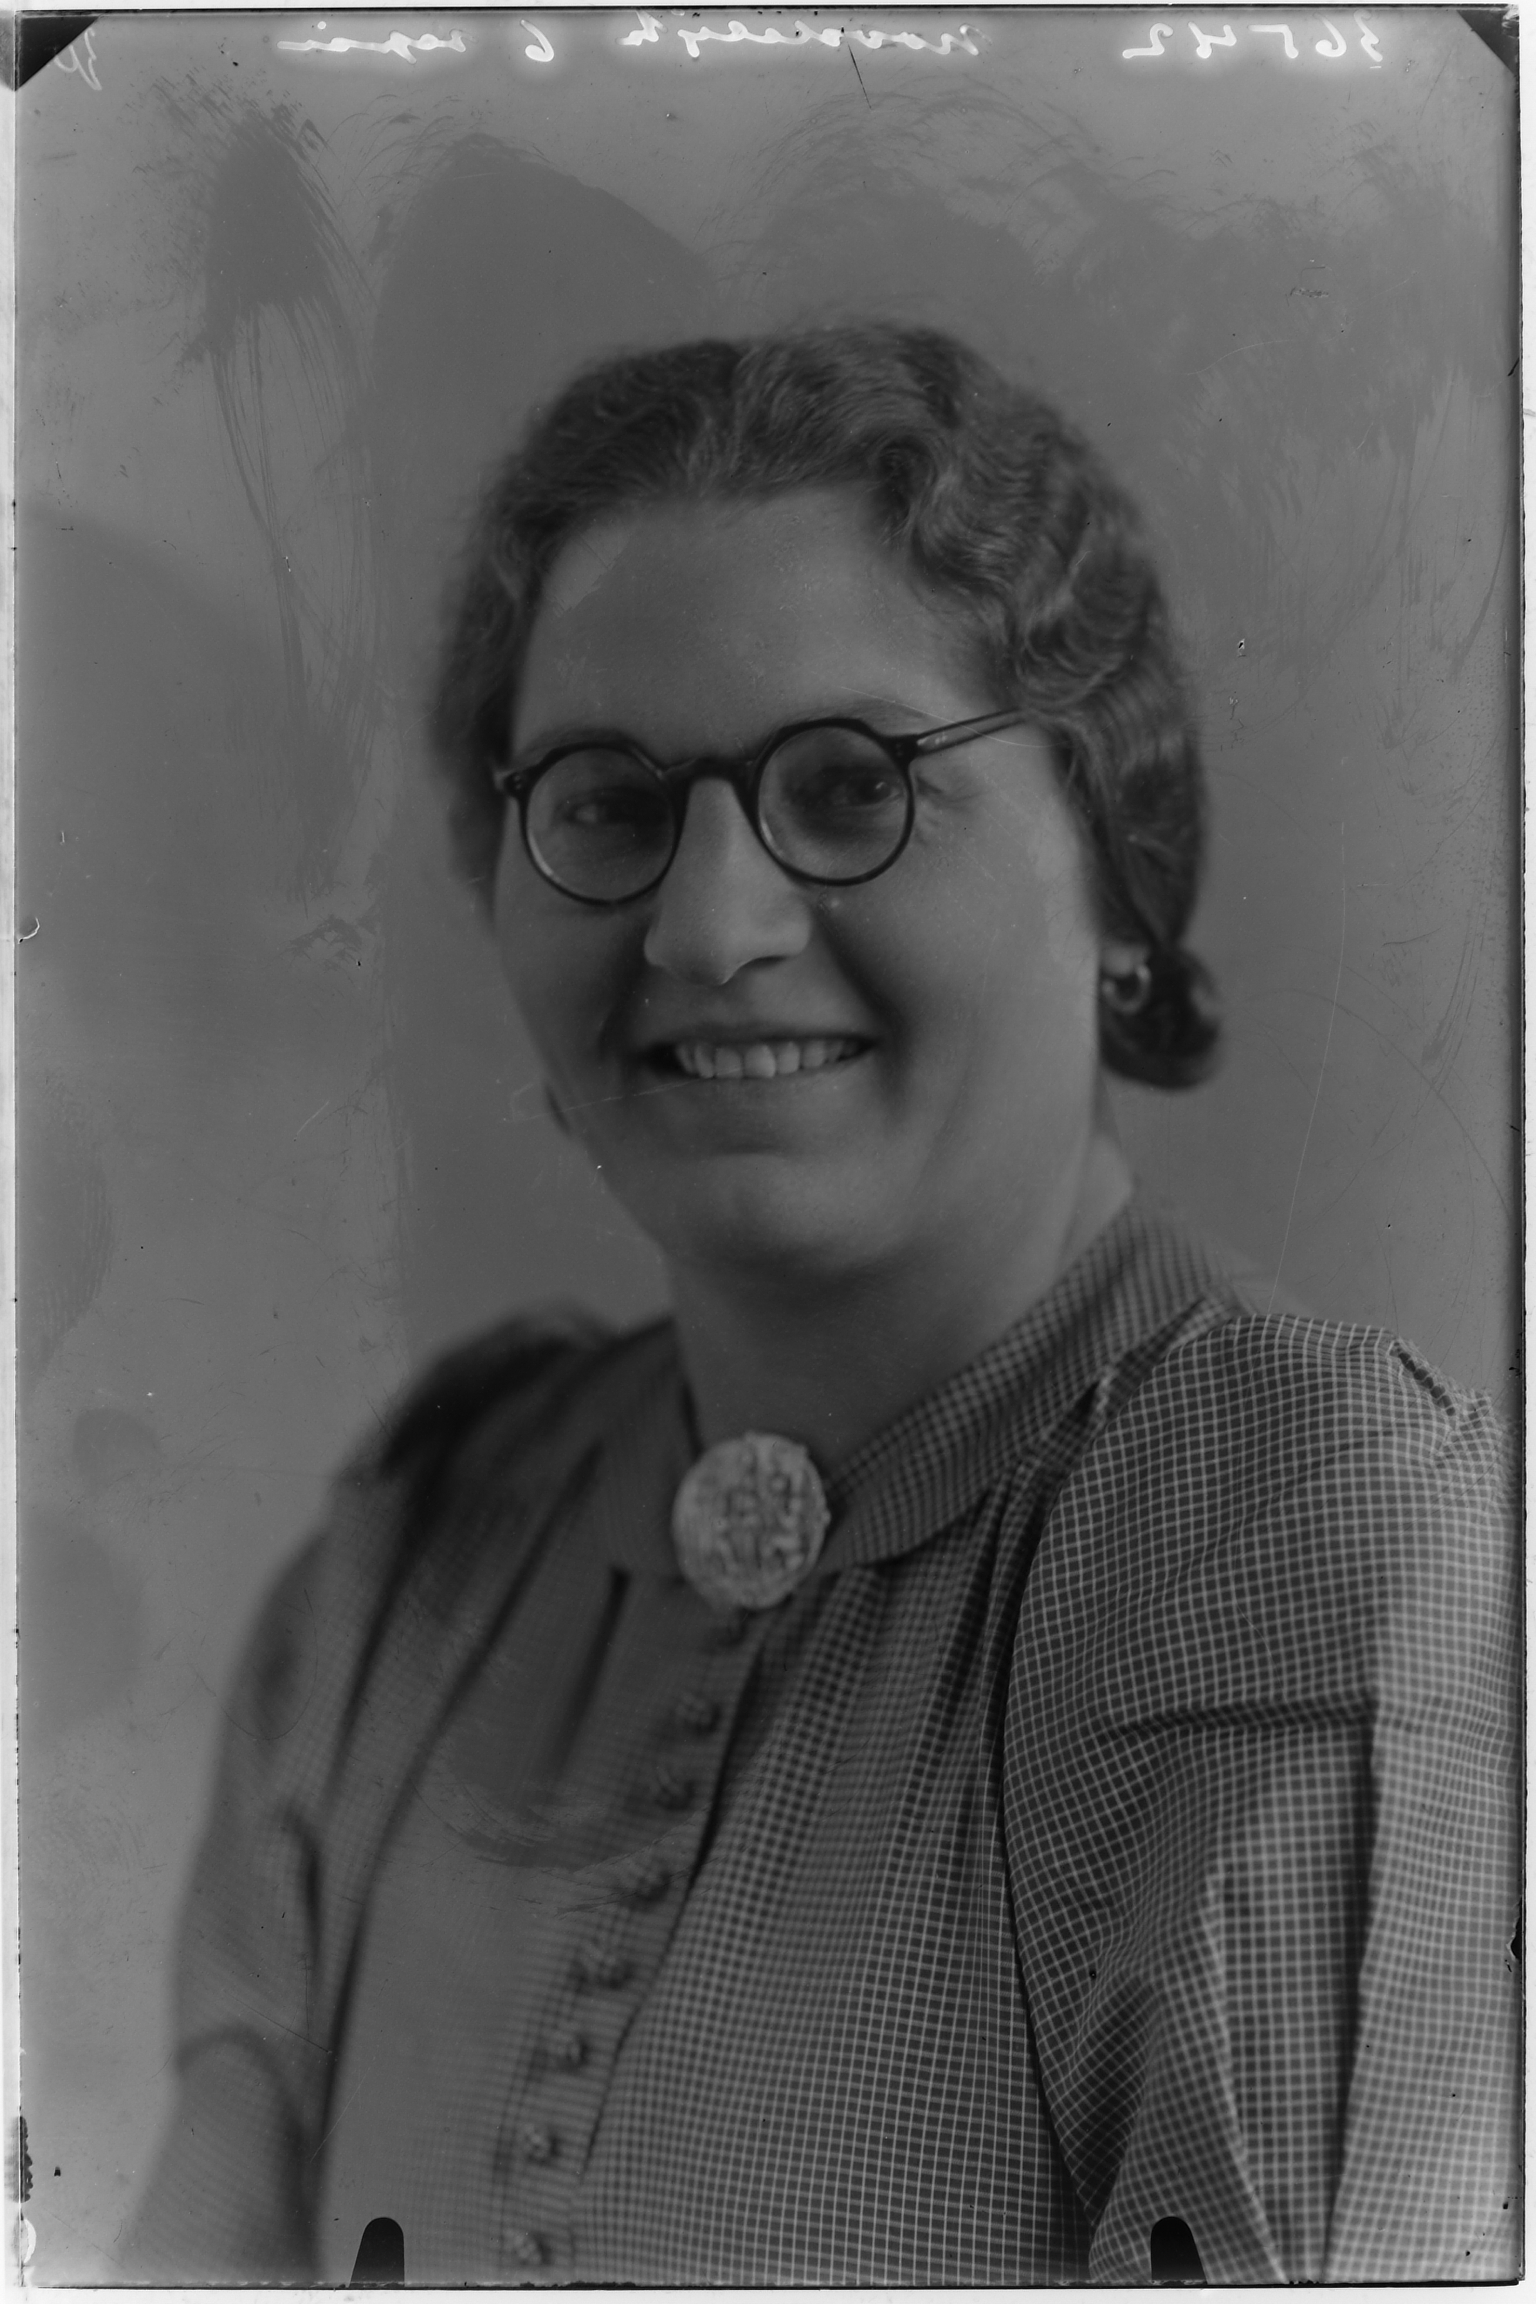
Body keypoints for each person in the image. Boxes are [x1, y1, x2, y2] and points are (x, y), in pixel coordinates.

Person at [127, 324, 1517, 2286]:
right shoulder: (408, 1561)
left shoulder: (1323, 1547)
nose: (708, 930)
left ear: (1115, 875)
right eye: (605, 806)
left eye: (854, 787)